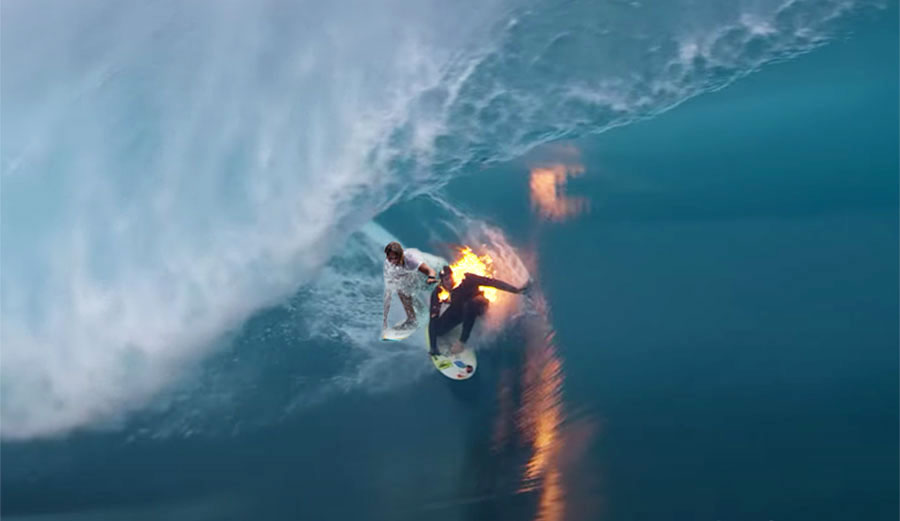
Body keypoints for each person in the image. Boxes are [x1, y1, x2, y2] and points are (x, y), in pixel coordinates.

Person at [428, 265, 527, 356]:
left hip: (479, 306)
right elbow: (433, 317)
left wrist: (515, 290)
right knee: (438, 330)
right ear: (441, 281)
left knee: (471, 304)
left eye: (450, 277)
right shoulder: (438, 292)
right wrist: (433, 347)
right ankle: (460, 327)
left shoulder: (467, 278)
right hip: (460, 308)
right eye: (446, 279)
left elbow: (492, 282)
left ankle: (462, 342)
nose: (449, 281)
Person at [383, 241, 438, 330]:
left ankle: (412, 320)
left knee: (402, 290)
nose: (392, 261)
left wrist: (431, 278)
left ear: (400, 256)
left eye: (394, 258)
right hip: (412, 274)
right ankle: (417, 312)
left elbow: (430, 270)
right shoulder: (390, 262)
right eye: (389, 258)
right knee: (401, 287)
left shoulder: (411, 260)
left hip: (426, 277)